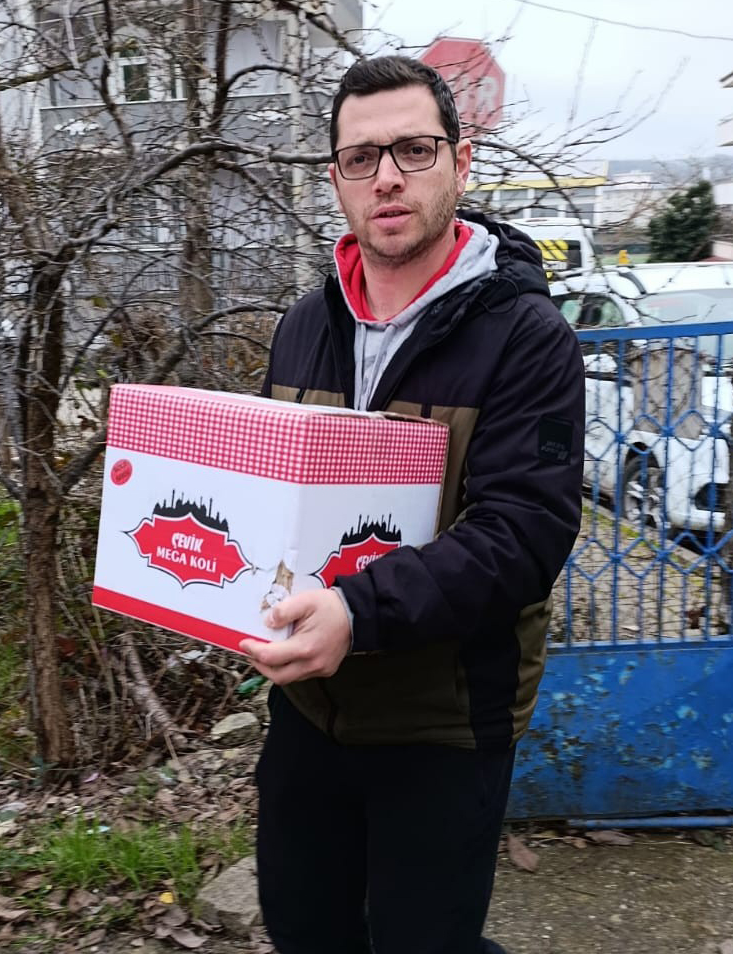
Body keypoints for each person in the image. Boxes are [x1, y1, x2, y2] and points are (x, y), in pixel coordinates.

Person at [237, 56, 584, 954]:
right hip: (310, 709)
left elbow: (523, 533)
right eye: (362, 157)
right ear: (337, 180)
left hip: (444, 721)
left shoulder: (527, 337)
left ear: (459, 164)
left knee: (423, 943)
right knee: (304, 930)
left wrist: (358, 611)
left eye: (413, 150)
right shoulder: (304, 325)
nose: (387, 176)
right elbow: (275, 500)